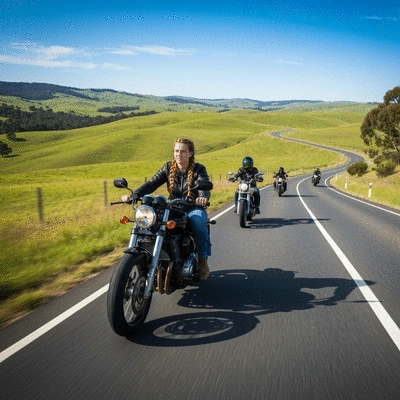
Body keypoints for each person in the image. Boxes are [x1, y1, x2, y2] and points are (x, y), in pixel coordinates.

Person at [123, 137, 212, 280]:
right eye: (176, 151)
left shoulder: (199, 169)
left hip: (192, 206)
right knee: (151, 221)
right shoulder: (167, 167)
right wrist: (135, 194)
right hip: (172, 206)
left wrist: (203, 197)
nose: (179, 154)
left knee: (198, 222)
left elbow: (204, 183)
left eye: (183, 151)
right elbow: (152, 183)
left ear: (190, 153)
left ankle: (202, 261)